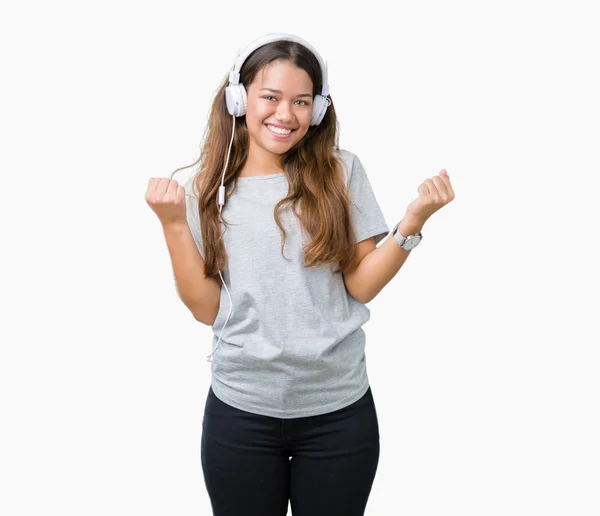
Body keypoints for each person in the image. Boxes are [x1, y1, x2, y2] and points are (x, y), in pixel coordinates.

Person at [145, 32, 454, 516]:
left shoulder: (339, 171)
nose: (285, 115)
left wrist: (411, 223)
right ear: (237, 97)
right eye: (270, 97)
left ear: (319, 108)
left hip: (337, 411)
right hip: (240, 411)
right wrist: (171, 224)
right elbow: (207, 309)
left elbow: (361, 284)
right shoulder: (205, 188)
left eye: (301, 101)